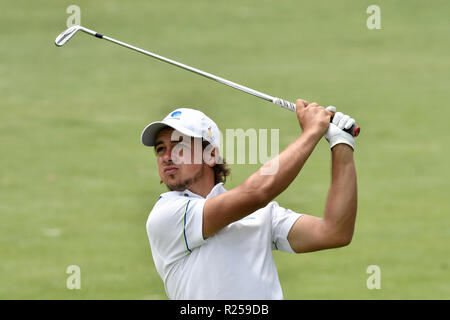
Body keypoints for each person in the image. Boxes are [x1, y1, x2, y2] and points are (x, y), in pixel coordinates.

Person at [141, 99, 358, 299]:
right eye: (160, 149)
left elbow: (335, 232)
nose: (167, 157)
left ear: (211, 155)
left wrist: (342, 144)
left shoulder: (261, 216)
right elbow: (257, 193)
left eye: (180, 145)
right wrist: (311, 132)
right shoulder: (167, 215)